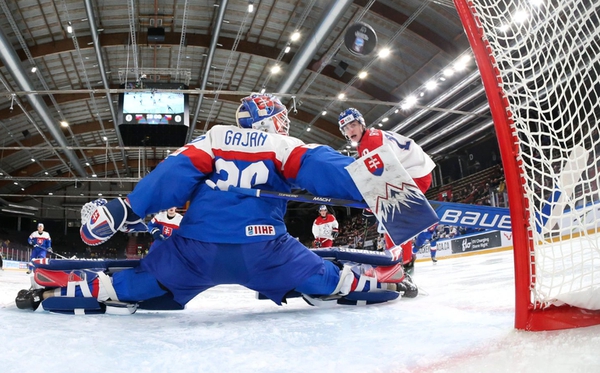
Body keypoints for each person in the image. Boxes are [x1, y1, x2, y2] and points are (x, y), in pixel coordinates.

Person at [16, 93, 417, 313]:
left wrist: (127, 207)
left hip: (197, 251)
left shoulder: (214, 138)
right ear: (268, 119)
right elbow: (322, 168)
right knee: (321, 275)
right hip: (267, 250)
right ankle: (355, 283)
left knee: (138, 282)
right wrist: (377, 188)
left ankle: (80, 289)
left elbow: (174, 177)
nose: (283, 124)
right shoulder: (283, 145)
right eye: (279, 117)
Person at [338, 108, 436, 270]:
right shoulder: (368, 139)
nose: (350, 130)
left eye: (353, 125)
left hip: (415, 174)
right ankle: (403, 258)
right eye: (346, 129)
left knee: (392, 217)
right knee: (390, 216)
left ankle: (400, 262)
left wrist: (372, 203)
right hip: (415, 170)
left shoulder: (370, 143)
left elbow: (382, 176)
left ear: (361, 124)